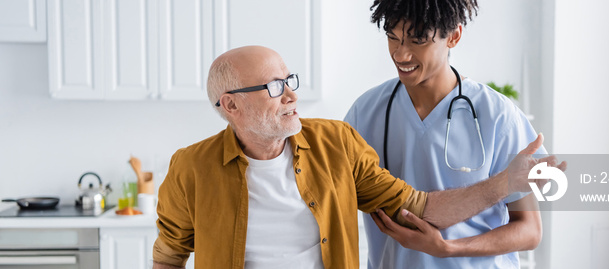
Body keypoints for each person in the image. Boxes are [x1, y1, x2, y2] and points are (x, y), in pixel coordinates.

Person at [152, 46, 563, 269]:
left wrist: (505, 184)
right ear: (231, 106)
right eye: (274, 87)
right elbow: (169, 257)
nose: (292, 95)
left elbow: (418, 206)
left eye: (289, 80)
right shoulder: (190, 169)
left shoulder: (336, 142)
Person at [344, 0, 549, 268]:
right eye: (393, 38)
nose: (401, 54)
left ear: (453, 36)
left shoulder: (497, 115)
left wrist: (448, 249)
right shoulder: (366, 112)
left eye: (418, 41)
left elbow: (530, 231)